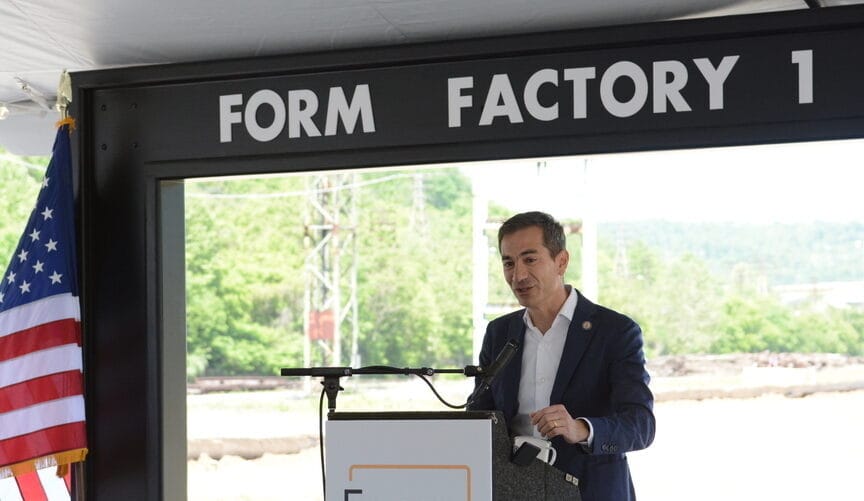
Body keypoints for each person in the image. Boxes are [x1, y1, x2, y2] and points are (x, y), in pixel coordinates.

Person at [468, 211, 655, 501]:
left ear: (561, 261)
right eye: (509, 263)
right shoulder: (499, 333)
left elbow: (640, 425)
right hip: (511, 490)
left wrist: (581, 428)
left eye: (530, 259)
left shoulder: (615, 332)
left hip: (589, 491)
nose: (518, 275)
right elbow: (479, 415)